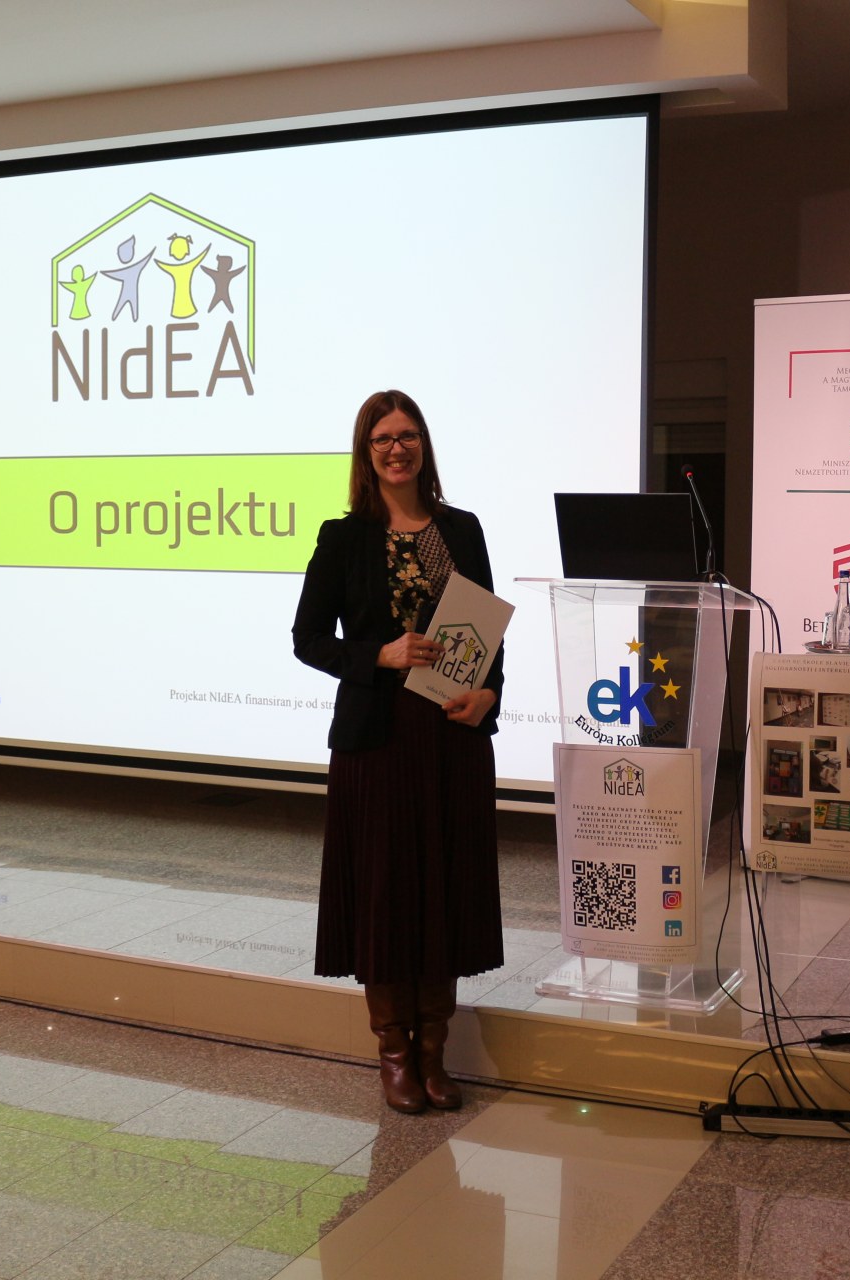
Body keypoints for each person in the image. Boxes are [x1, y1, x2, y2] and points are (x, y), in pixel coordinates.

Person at [292, 389, 505, 1113]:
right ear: (366, 452)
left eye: (408, 435)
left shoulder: (462, 529)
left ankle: (434, 1051)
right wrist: (377, 655)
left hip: (451, 734)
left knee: (443, 888)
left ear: (424, 445)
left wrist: (490, 694)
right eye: (382, 438)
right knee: (386, 894)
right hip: (378, 741)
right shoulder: (343, 537)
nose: (397, 448)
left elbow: (488, 630)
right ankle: (393, 1053)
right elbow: (308, 640)